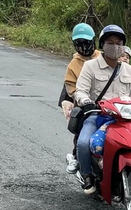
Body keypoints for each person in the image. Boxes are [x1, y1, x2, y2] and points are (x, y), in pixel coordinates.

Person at [74, 25, 131, 194]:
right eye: (110, 42)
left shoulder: (128, 69)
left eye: (118, 43)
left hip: (125, 119)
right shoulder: (90, 66)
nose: (115, 47)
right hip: (98, 116)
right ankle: (87, 175)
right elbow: (81, 91)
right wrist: (86, 101)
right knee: (84, 143)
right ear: (102, 44)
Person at [58, 23, 100, 174]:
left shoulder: (102, 58)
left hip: (106, 103)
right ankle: (80, 162)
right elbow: (70, 87)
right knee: (81, 131)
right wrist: (83, 100)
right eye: (79, 43)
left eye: (86, 43)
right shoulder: (73, 65)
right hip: (85, 105)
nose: (83, 47)